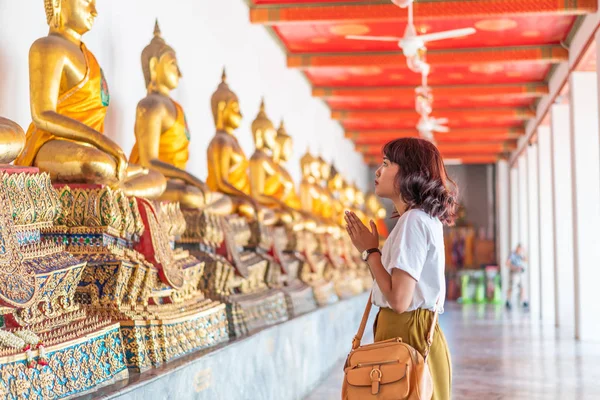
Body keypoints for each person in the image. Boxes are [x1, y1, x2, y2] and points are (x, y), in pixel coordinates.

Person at [344, 138, 457, 400]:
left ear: (409, 172)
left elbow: (399, 299)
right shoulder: (422, 219)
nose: (378, 171)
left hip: (407, 334)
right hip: (411, 332)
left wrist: (370, 251)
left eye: (386, 163)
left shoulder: (414, 221)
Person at [505, 244, 528, 310]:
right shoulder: (512, 255)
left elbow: (526, 260)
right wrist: (515, 268)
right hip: (514, 273)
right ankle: (508, 300)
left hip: (520, 273)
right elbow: (507, 263)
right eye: (519, 249)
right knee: (511, 287)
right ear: (517, 248)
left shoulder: (520, 255)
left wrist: (524, 252)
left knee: (522, 287)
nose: (520, 250)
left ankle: (523, 301)